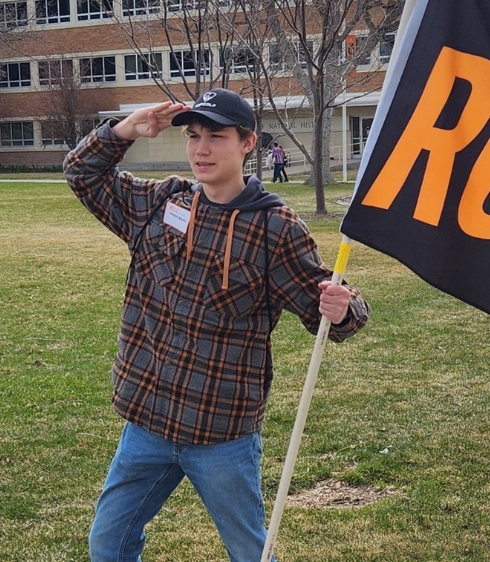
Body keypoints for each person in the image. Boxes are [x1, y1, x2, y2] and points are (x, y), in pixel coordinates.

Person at [64, 88, 370, 562]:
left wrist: (342, 306)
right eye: (193, 136)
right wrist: (127, 128)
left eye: (216, 137)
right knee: (108, 543)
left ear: (247, 143)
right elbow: (81, 172)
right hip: (148, 423)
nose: (201, 149)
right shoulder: (161, 203)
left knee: (250, 552)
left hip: (222, 434)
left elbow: (331, 309)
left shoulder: (276, 228)